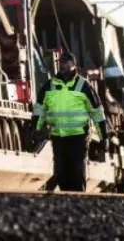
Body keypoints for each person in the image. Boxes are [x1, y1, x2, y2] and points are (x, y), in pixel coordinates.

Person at [30, 52, 109, 192]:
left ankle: (78, 198)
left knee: (77, 171)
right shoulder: (50, 85)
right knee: (61, 172)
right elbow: (39, 109)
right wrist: (35, 129)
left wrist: (104, 136)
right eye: (60, 62)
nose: (62, 65)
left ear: (73, 65)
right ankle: (65, 200)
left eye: (66, 62)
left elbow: (96, 112)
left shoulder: (83, 85)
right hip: (58, 137)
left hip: (78, 137)